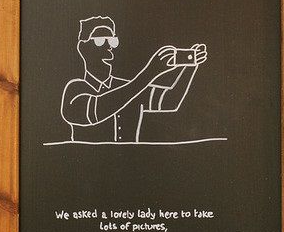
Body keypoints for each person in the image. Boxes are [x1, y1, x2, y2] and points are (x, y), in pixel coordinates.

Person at [61, 16, 206, 142]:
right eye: (100, 41)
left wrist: (190, 66)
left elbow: (169, 101)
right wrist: (149, 73)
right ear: (82, 48)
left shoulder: (130, 88)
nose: (109, 47)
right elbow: (95, 112)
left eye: (112, 41)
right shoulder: (75, 90)